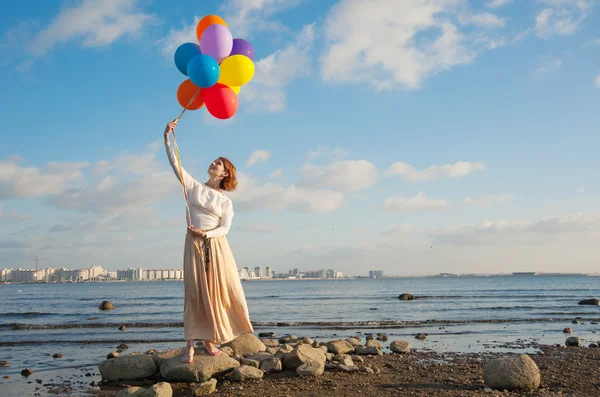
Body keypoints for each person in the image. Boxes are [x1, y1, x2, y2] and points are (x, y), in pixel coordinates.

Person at [163, 120, 253, 363]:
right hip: (193, 245)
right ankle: (190, 345)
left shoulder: (226, 202)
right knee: (194, 292)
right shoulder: (192, 187)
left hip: (215, 245)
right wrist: (167, 137)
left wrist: (205, 235)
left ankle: (210, 340)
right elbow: (176, 164)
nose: (213, 164)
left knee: (215, 292)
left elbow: (225, 228)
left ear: (225, 174)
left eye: (218, 163)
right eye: (214, 161)